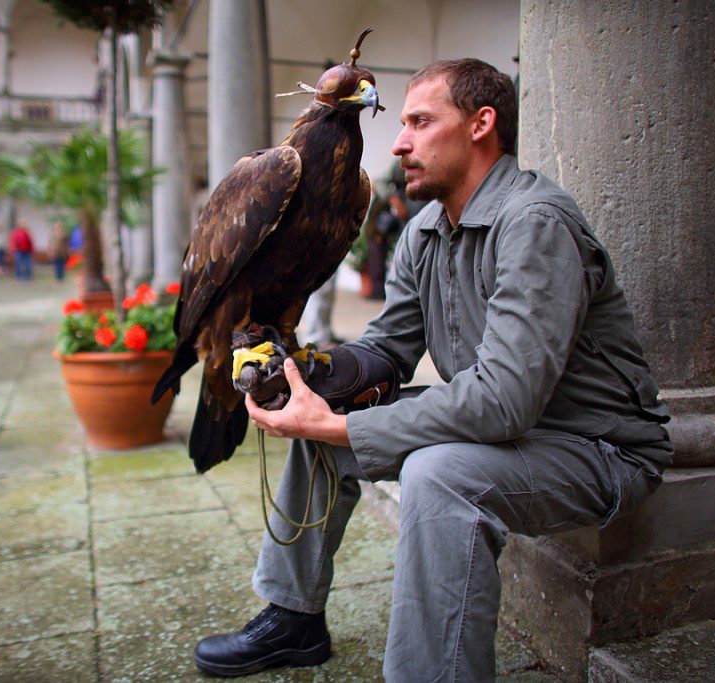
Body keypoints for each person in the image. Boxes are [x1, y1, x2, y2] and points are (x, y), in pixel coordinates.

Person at [192, 59, 673, 681]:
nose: (398, 143)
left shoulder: (535, 224)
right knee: (324, 415)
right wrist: (309, 376)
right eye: (403, 124)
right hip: (514, 431)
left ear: (481, 124)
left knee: (438, 472)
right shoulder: (424, 231)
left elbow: (503, 401)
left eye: (420, 123)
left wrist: (343, 428)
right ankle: (293, 618)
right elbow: (388, 350)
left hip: (595, 446)